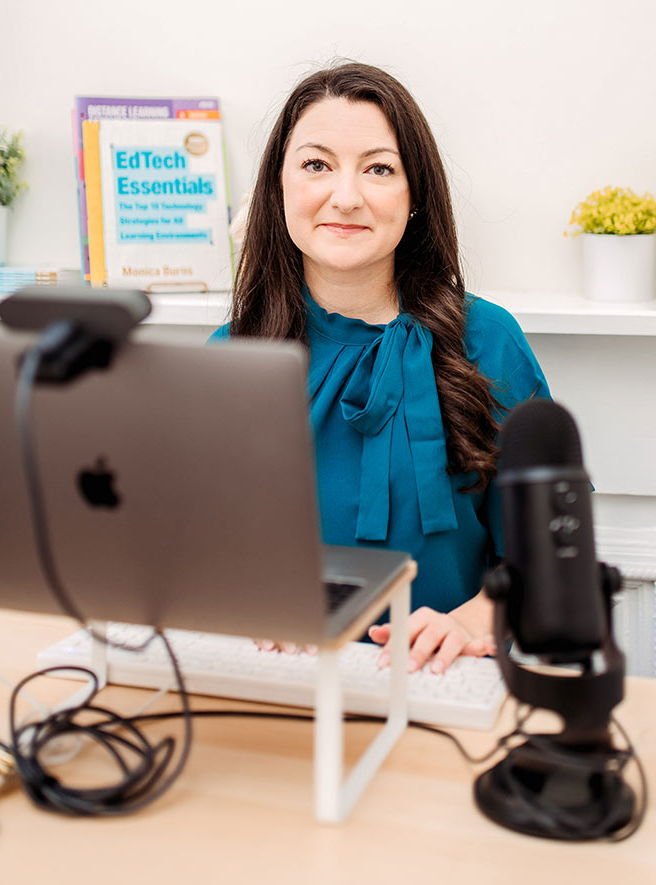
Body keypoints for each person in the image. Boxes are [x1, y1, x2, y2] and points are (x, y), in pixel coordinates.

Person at [211, 62, 550, 673]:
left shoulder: (490, 342)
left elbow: (549, 556)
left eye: (379, 168)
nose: (346, 197)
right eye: (316, 165)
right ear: (277, 188)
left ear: (414, 195)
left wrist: (474, 622)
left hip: (442, 680)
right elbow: (195, 558)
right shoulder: (228, 359)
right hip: (275, 685)